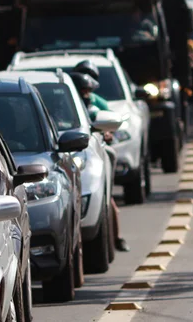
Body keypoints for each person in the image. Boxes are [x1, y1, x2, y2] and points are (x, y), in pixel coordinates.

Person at [69, 68, 130, 253]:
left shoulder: (94, 105)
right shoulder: (64, 105)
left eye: (89, 90)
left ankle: (117, 237)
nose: (88, 95)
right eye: (84, 91)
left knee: (108, 199)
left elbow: (110, 119)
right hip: (70, 157)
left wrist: (107, 132)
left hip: (91, 153)